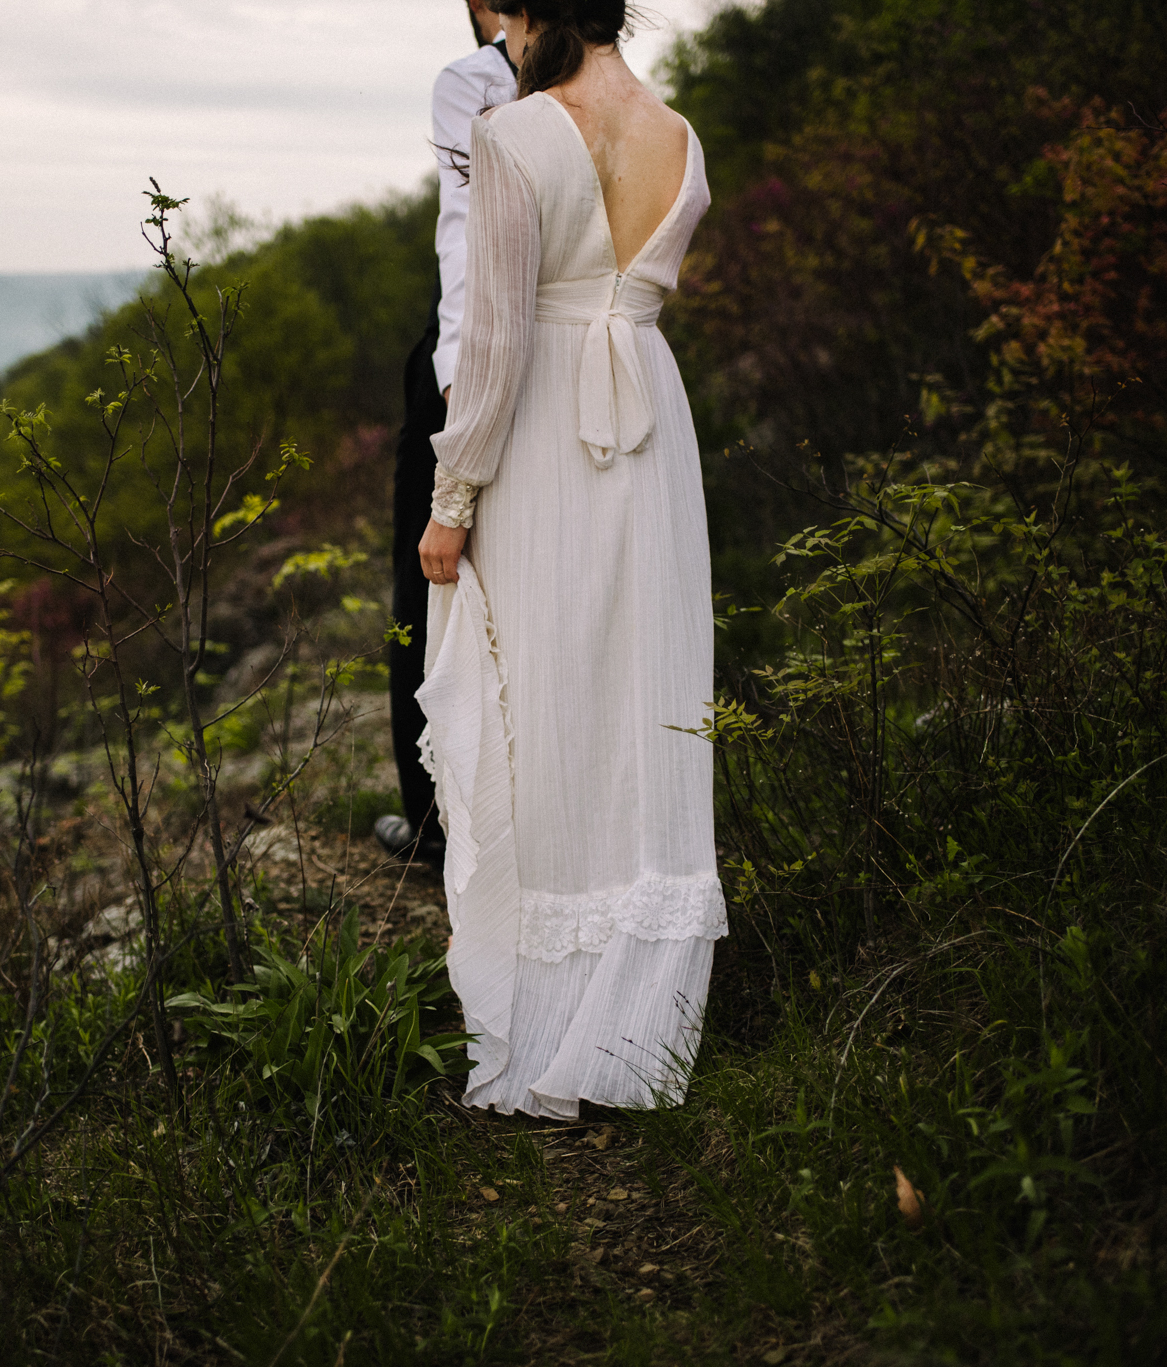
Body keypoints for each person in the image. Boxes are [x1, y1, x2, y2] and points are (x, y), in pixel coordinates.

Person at [414, 0, 725, 1117]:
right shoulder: (680, 137)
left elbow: (493, 340)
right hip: (649, 419)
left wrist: (450, 499)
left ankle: (550, 1019)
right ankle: (639, 1018)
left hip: (550, 422)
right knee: (645, 698)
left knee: (542, 699)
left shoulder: (513, 132)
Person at [378, 0, 519, 867]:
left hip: (466, 371)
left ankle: (435, 822)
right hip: (576, 369)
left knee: (426, 589)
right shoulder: (625, 94)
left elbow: (465, 260)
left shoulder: (478, 81)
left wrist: (456, 457)